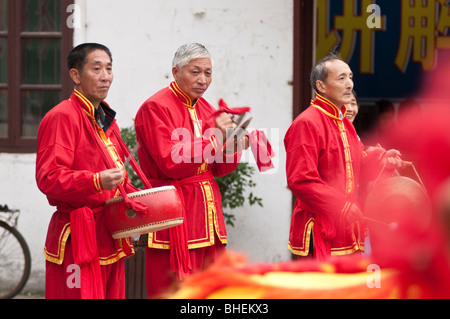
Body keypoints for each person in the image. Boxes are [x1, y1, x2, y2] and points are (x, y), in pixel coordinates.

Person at [135, 43, 247, 298]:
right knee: (172, 288)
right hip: (175, 209)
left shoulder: (207, 108)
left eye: (208, 73)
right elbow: (170, 162)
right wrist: (214, 137)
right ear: (175, 72)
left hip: (208, 213)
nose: (203, 80)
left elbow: (217, 168)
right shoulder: (155, 107)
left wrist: (232, 145)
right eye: (195, 72)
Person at [36, 43, 138, 299]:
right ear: (76, 75)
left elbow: (116, 177)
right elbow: (49, 178)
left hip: (110, 231)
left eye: (109, 68)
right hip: (78, 233)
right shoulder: (63, 116)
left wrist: (137, 203)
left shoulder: (103, 117)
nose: (105, 76)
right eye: (97, 69)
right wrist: (95, 181)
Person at [284, 52, 403, 260]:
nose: (349, 84)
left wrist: (382, 161)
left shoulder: (343, 123)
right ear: (321, 87)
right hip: (320, 227)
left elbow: (356, 167)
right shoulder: (307, 123)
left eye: (350, 77)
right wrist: (342, 205)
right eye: (341, 78)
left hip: (347, 226)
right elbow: (301, 180)